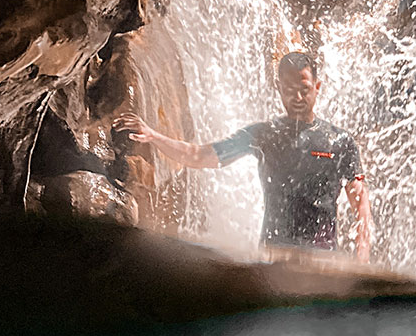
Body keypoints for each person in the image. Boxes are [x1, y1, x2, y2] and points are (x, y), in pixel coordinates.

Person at [124, 50, 373, 262]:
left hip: (323, 262)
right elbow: (199, 156)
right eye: (289, 89)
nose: (297, 97)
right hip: (274, 262)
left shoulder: (339, 141)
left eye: (304, 89)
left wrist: (362, 255)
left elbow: (360, 203)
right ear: (278, 88)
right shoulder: (263, 135)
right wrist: (154, 136)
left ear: (317, 87)